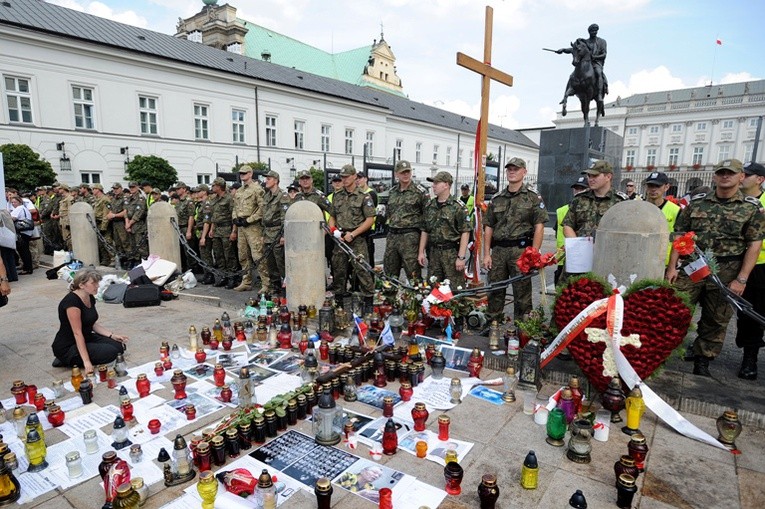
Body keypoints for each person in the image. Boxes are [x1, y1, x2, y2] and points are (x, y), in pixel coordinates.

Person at [666, 159, 765, 377]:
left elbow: (754, 245)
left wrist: (741, 279)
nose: (725, 176)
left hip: (727, 268)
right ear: (714, 176)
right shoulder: (697, 204)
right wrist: (672, 267)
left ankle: (702, 363)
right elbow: (680, 236)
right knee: (675, 310)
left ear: (741, 177)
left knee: (716, 319)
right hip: (693, 267)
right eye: (721, 172)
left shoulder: (750, 208)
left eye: (731, 173)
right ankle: (662, 355)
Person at [483, 157, 548, 322]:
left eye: (516, 169)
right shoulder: (497, 198)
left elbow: (539, 225)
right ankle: (492, 325)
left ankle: (523, 330)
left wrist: (533, 252)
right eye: (509, 169)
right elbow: (488, 226)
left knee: (522, 292)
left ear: (524, 172)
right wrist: (486, 254)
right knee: (495, 290)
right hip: (498, 252)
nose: (512, 172)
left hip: (521, 251)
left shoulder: (533, 198)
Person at [51, 268, 129, 373]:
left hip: (87, 336)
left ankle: (78, 357)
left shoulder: (89, 297)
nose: (97, 286)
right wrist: (86, 361)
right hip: (69, 344)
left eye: (97, 282)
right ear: (81, 285)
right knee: (111, 352)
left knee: (118, 346)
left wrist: (112, 335)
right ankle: (66, 359)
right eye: (93, 283)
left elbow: (91, 323)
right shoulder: (72, 303)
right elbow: (77, 333)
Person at [329, 164, 376, 311]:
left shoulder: (364, 196)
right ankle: (339, 303)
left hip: (357, 239)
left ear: (355, 176)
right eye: (342, 177)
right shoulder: (337, 195)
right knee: (339, 270)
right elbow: (332, 216)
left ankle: (368, 304)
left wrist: (353, 234)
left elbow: (370, 219)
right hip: (341, 239)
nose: (344, 179)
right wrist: (333, 230)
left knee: (362, 270)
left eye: (347, 176)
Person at [735, 161, 765, 380]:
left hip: (762, 266)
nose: (742, 177)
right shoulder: (738, 201)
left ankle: (750, 357)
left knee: (758, 312)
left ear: (760, 179)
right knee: (745, 313)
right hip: (739, 263)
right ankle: (748, 355)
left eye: (747, 174)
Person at [418, 171, 470, 289]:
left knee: (455, 290)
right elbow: (425, 230)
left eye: (436, 183)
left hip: (451, 253)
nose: (433, 186)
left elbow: (465, 232)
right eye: (433, 183)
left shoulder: (458, 207)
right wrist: (421, 252)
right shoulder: (430, 206)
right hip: (433, 252)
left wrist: (461, 257)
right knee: (433, 289)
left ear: (446, 185)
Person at [383, 160, 428, 280]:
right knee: (390, 273)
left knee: (413, 274)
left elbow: (427, 217)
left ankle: (416, 298)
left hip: (410, 237)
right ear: (396, 174)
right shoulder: (392, 192)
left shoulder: (420, 192)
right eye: (402, 172)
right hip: (392, 236)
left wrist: (422, 248)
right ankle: (390, 298)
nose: (406, 175)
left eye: (408, 171)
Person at [232, 166, 265, 292]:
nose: (242, 175)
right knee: (243, 255)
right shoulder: (239, 191)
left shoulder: (257, 189)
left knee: (258, 255)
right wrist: (235, 218)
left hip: (253, 226)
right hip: (241, 226)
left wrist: (249, 220)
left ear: (250, 174)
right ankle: (246, 281)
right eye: (240, 173)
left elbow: (262, 208)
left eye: (244, 173)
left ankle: (265, 283)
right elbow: (235, 207)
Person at [556, 23, 608, 101]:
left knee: (598, 72)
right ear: (589, 32)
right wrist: (563, 50)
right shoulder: (585, 43)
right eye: (592, 31)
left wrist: (594, 57)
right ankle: (565, 96)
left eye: (595, 31)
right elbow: (574, 49)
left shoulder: (602, 41)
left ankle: (600, 94)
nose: (594, 32)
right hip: (585, 64)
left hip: (596, 63)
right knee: (572, 76)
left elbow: (604, 54)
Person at [259, 170, 291, 296]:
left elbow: (285, 218)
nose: (266, 181)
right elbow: (264, 218)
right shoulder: (266, 196)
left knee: (280, 262)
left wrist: (283, 235)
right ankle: (275, 286)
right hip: (268, 233)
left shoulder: (282, 196)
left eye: (269, 179)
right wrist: (263, 234)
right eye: (266, 179)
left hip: (277, 233)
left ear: (276, 180)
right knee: (270, 262)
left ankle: (285, 287)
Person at [554, 176, 588, 285]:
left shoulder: (590, 209)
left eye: (581, 189)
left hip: (584, 259)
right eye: (576, 188)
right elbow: (557, 232)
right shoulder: (562, 210)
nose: (578, 191)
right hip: (563, 258)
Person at [643, 172, 680, 266]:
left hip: (664, 262)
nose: (653, 189)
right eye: (650, 186)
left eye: (657, 186)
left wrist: (672, 267)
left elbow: (676, 238)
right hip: (641, 260)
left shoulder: (675, 210)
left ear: (666, 187)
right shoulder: (639, 207)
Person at [208, 178, 238, 289]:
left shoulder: (229, 199)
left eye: (214, 185)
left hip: (226, 229)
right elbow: (213, 216)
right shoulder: (214, 199)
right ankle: (223, 276)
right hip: (216, 231)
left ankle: (232, 278)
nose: (212, 187)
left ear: (219, 186)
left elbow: (234, 216)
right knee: (218, 255)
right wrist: (212, 229)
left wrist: (234, 231)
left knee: (229, 255)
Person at [9, 195, 36, 275]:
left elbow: (12, 218)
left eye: (15, 202)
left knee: (23, 251)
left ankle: (27, 268)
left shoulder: (19, 208)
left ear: (19, 202)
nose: (13, 204)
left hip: (22, 232)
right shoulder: (24, 208)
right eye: (12, 202)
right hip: (27, 232)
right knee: (25, 250)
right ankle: (27, 267)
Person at [124, 181, 148, 267]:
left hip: (139, 225)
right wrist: (127, 223)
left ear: (137, 187)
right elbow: (126, 212)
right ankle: (135, 261)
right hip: (129, 224)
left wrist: (129, 224)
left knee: (141, 246)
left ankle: (144, 263)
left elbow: (138, 214)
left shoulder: (141, 199)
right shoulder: (128, 198)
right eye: (130, 187)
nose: (131, 189)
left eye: (133, 187)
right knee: (132, 245)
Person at [106, 183, 129, 268]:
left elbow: (126, 211)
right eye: (114, 189)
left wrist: (114, 215)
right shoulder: (114, 199)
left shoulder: (125, 198)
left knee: (125, 242)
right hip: (115, 223)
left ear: (121, 188)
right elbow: (111, 209)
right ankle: (121, 260)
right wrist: (109, 215)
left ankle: (129, 260)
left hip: (122, 222)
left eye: (116, 188)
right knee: (117, 243)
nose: (115, 190)